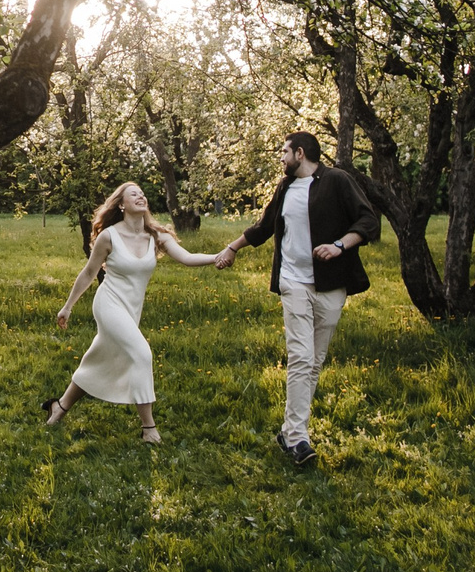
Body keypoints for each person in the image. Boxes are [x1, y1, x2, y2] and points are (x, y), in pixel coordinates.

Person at [215, 131, 382, 466]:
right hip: (293, 282)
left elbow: (368, 221)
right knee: (301, 357)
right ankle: (297, 438)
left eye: (284, 152)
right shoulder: (285, 187)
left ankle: (290, 431)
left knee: (314, 360)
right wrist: (232, 248)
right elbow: (263, 229)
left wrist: (338, 246)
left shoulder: (336, 180)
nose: (281, 158)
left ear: (300, 153)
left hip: (331, 284)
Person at [45, 182, 218, 443]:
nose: (141, 196)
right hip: (109, 304)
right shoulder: (109, 236)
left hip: (131, 309)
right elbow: (90, 273)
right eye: (133, 194)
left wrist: (218, 256)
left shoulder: (156, 235)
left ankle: (60, 406)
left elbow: (186, 257)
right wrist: (67, 307)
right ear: (122, 205)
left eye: (143, 194)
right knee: (141, 353)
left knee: (102, 358)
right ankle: (148, 428)